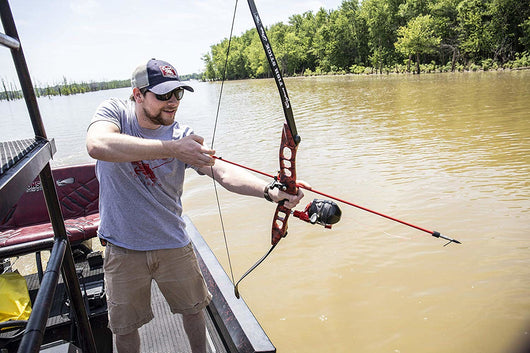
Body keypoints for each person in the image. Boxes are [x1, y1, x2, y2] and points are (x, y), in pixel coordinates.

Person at [85, 58, 304, 353]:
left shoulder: (181, 134)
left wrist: (269, 191)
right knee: (125, 328)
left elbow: (223, 172)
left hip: (173, 242)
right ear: (138, 94)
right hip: (122, 246)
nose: (173, 101)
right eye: (163, 95)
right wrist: (172, 148)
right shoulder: (115, 113)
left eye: (178, 93)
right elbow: (97, 145)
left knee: (193, 310)